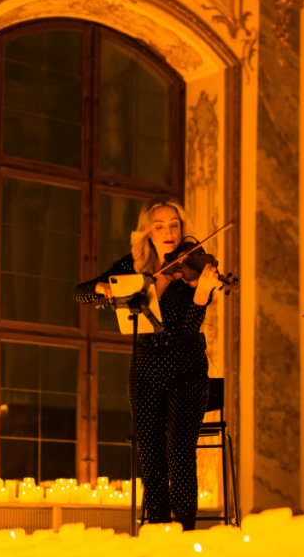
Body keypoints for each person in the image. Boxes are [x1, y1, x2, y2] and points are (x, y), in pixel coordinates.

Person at [74, 196, 219, 530]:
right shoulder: (134, 266)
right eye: (159, 226)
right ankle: (157, 530)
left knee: (179, 455)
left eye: (174, 224)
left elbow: (187, 329)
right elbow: (80, 293)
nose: (168, 232)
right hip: (146, 369)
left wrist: (201, 294)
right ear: (147, 233)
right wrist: (101, 289)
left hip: (186, 368)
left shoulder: (194, 267)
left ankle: (184, 534)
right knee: (151, 458)